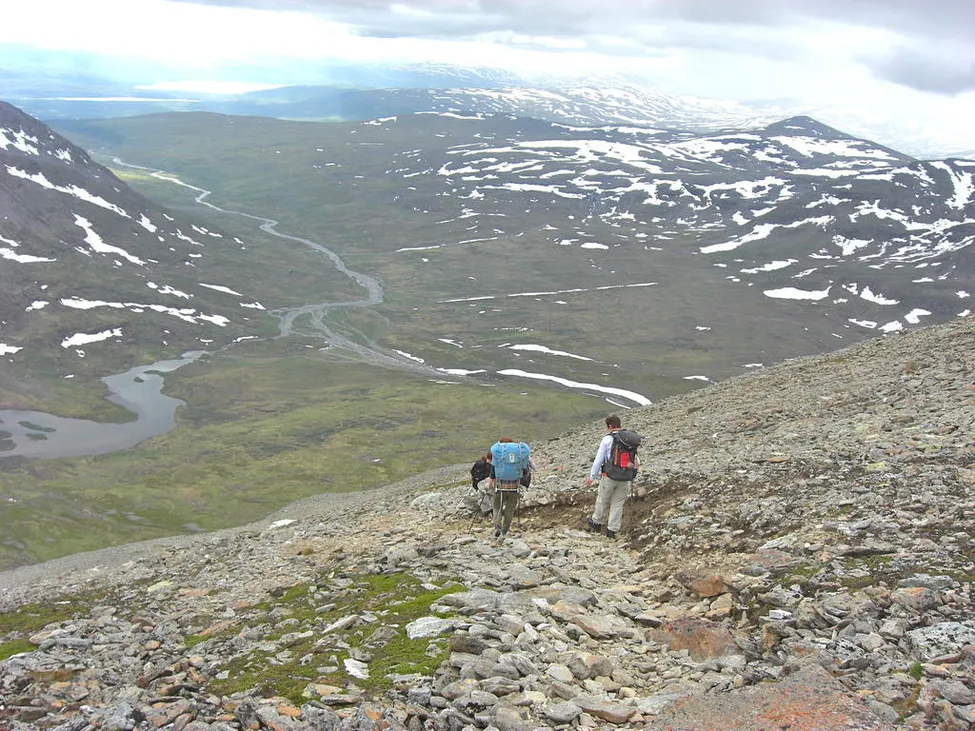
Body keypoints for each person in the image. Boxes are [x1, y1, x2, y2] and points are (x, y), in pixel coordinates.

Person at [586, 413, 639, 539]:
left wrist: (591, 477)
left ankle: (596, 522)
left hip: (609, 475)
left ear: (610, 426)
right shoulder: (628, 439)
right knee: (618, 503)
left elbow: (599, 460)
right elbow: (637, 460)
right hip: (626, 477)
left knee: (602, 499)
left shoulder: (608, 439)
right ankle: (612, 531)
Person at [489, 436, 531, 539]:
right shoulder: (520, 453)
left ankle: (497, 528)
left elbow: (493, 472)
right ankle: (504, 531)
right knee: (509, 510)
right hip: (514, 487)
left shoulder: (498, 453)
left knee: (497, 507)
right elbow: (525, 471)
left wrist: (490, 482)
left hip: (500, 487)